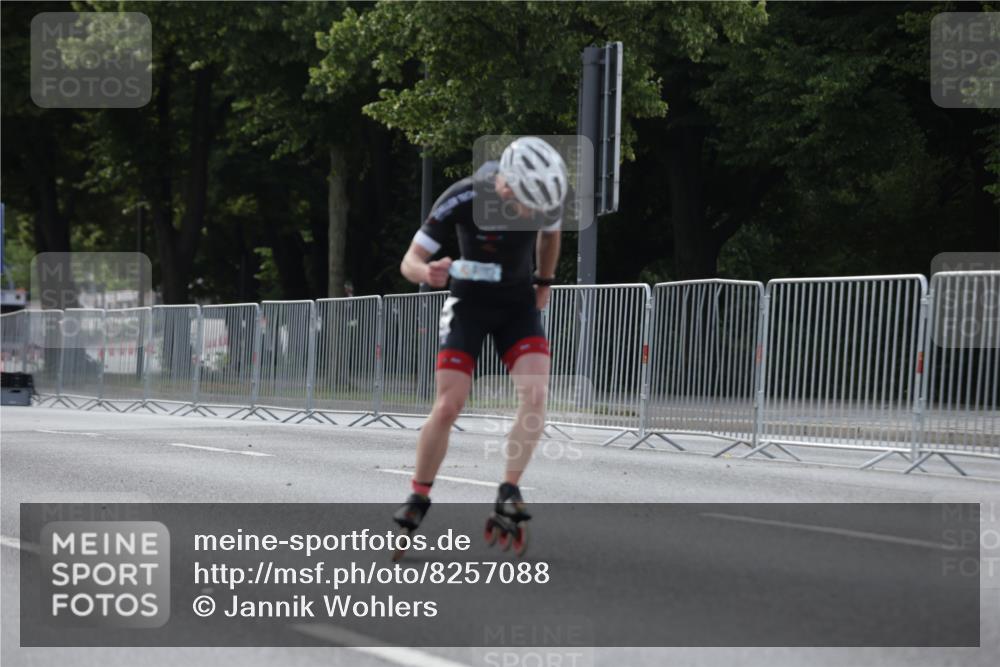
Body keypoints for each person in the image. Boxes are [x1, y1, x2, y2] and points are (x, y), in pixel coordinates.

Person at [392, 137, 568, 557]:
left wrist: (544, 282)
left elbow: (550, 236)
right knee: (449, 405)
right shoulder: (465, 196)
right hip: (469, 304)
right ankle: (418, 495)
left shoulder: (547, 195)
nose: (531, 212)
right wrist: (427, 273)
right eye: (525, 203)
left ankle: (508, 490)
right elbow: (409, 261)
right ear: (506, 185)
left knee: (536, 394)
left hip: (516, 307)